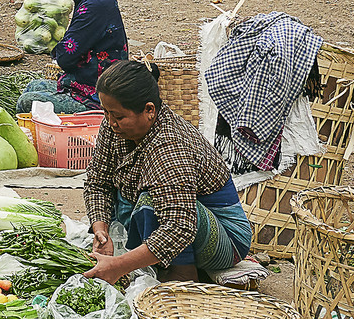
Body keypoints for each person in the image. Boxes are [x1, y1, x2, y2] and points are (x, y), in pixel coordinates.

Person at [82, 60, 253, 284]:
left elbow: (179, 227)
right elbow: (98, 182)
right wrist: (100, 230)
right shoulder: (113, 126)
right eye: (106, 112)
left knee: (149, 201)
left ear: (149, 110)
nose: (111, 122)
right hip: (176, 219)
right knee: (122, 195)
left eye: (119, 117)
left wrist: (119, 265)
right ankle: (153, 257)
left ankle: (183, 272)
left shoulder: (170, 146)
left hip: (225, 238)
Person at [16, 0, 129, 116]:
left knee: (27, 102)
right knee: (33, 86)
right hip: (91, 82)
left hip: (98, 96)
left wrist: (47, 46)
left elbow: (66, 57)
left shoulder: (95, 5)